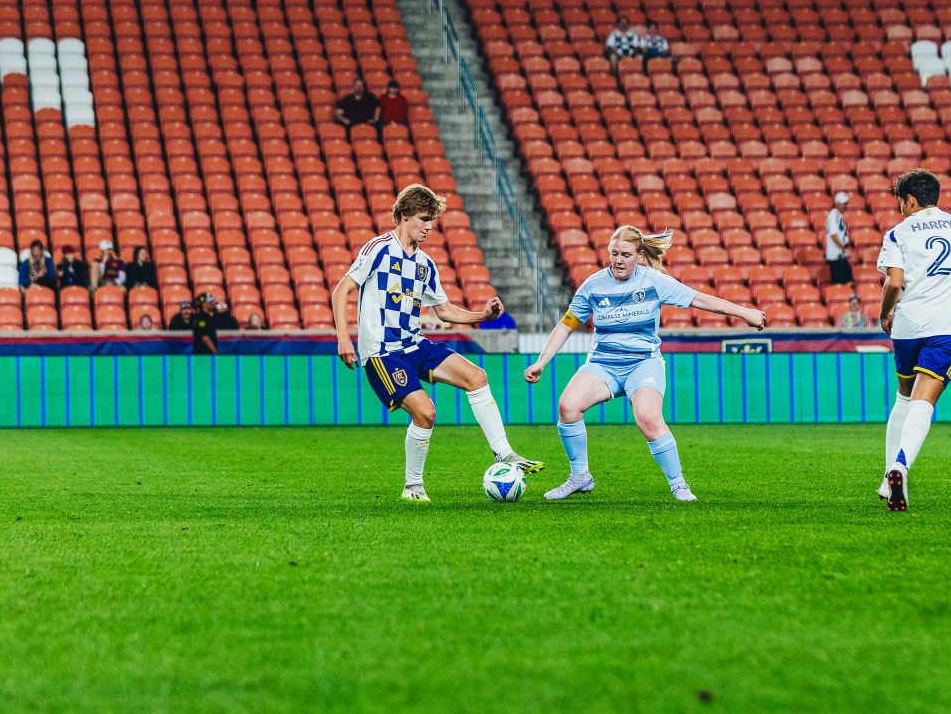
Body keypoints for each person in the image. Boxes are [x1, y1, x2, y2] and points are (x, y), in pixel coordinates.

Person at [331, 184, 543, 502]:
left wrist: (482, 316)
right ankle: (413, 486)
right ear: (404, 216)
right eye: (424, 218)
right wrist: (344, 338)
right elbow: (341, 290)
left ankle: (504, 454)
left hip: (415, 344)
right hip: (383, 352)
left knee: (477, 377)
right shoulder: (378, 249)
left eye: (432, 220)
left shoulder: (425, 264)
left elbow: (443, 311)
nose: (429, 226)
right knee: (426, 413)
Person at [524, 226, 767, 502]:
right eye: (613, 253)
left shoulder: (654, 281)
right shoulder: (593, 285)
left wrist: (743, 312)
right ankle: (580, 477)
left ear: (639, 256)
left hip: (643, 364)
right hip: (604, 364)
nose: (618, 260)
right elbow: (567, 326)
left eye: (625, 255)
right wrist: (541, 361)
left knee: (649, 418)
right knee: (568, 407)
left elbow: (698, 298)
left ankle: (679, 486)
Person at [876, 169, 951, 511]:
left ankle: (887, 478)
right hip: (946, 329)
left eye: (900, 201)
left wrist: (885, 313)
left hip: (908, 328)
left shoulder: (897, 233)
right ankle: (900, 466)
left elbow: (894, 282)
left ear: (910, 200)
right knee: (924, 403)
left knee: (904, 396)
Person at [825, 191, 853, 284]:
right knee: (839, 284)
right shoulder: (834, 215)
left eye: (846, 203)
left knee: (849, 282)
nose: (845, 206)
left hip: (841, 256)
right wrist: (844, 250)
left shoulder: (838, 215)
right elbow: (833, 235)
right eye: (843, 203)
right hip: (836, 257)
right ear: (837, 203)